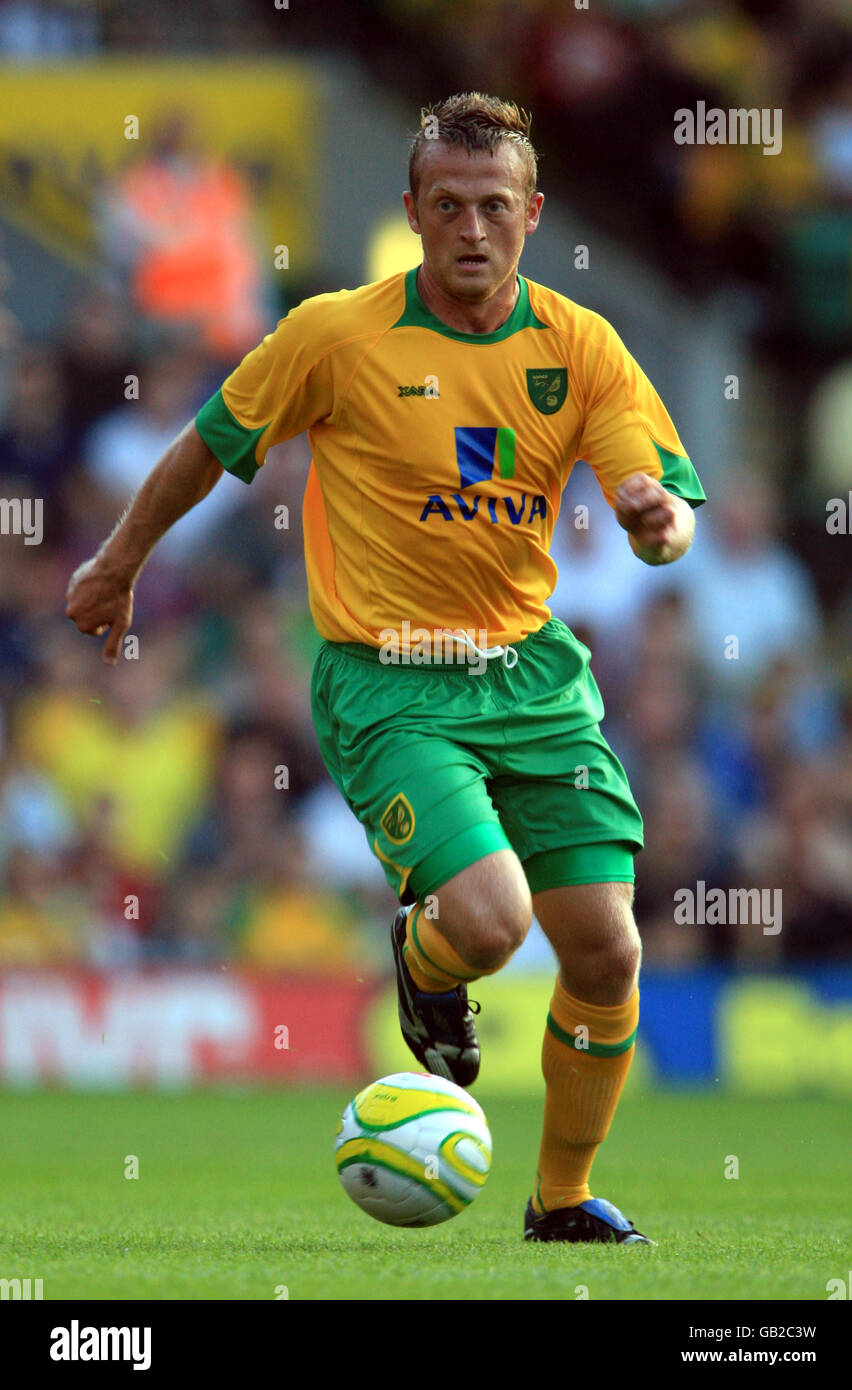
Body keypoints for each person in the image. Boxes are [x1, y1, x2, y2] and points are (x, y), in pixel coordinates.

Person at [66, 93, 705, 1246]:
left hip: (532, 681)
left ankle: (559, 1202)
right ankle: (424, 953)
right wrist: (114, 567)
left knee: (607, 946)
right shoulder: (332, 334)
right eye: (447, 206)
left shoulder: (580, 346)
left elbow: (651, 498)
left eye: (494, 207)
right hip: (389, 679)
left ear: (532, 214)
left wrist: (658, 526)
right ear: (410, 211)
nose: (471, 228)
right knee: (495, 918)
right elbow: (209, 445)